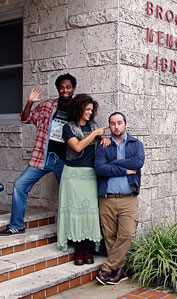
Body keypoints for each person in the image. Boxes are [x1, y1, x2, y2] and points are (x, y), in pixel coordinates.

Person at [0, 74, 77, 236]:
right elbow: (25, 118)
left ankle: (70, 232)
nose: (65, 90)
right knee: (19, 185)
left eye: (68, 87)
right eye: (62, 87)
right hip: (44, 158)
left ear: (73, 88)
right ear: (58, 89)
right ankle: (17, 225)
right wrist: (29, 102)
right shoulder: (47, 106)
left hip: (65, 161)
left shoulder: (78, 109)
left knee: (70, 195)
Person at [57, 94, 108, 265]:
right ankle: (78, 250)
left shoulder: (93, 125)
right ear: (78, 109)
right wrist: (95, 134)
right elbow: (77, 147)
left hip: (90, 175)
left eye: (91, 110)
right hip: (72, 175)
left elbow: (100, 141)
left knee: (89, 212)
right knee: (75, 212)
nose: (89, 113)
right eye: (87, 109)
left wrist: (104, 138)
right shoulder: (68, 128)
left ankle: (87, 248)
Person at [94, 112, 145, 285]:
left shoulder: (135, 144)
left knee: (127, 234)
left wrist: (113, 163)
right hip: (106, 198)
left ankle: (107, 268)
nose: (116, 126)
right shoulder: (103, 145)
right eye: (113, 123)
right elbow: (100, 169)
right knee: (109, 235)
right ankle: (120, 270)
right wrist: (123, 169)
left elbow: (137, 163)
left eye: (119, 123)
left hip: (128, 198)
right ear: (109, 125)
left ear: (125, 124)